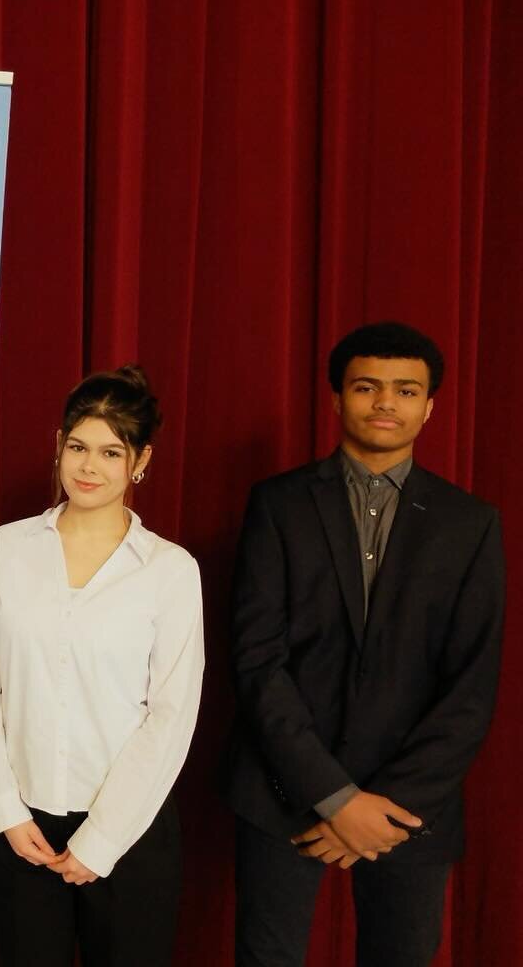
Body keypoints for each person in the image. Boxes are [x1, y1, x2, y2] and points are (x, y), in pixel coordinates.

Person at [225, 321, 505, 967]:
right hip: (283, 789)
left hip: (411, 805)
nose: (385, 402)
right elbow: (257, 662)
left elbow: (471, 688)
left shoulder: (471, 524)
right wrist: (336, 798)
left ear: (430, 405)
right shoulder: (277, 505)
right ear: (335, 398)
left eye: (406, 390)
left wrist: (384, 808)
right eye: (367, 386)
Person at [0, 365, 204, 967]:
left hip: (130, 828)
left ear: (140, 460)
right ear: (59, 446)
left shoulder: (169, 570)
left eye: (111, 452)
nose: (89, 467)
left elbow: (170, 715)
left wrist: (103, 840)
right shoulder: (6, 549)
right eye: (78, 447)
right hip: (24, 830)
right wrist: (7, 813)